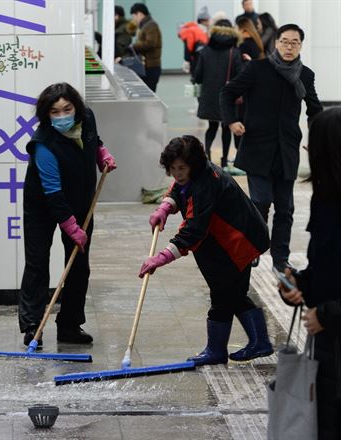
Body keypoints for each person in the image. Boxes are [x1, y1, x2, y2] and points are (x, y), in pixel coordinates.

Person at [141, 135, 272, 366]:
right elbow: (179, 188)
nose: (177, 173)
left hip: (237, 241)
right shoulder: (193, 176)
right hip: (222, 241)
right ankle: (260, 342)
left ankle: (216, 351)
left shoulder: (205, 184)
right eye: (172, 168)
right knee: (235, 294)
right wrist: (166, 206)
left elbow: (193, 229)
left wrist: (161, 258)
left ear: (194, 164)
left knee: (223, 295)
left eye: (182, 168)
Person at [19, 82, 117, 346]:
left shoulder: (87, 117)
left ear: (76, 107)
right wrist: (71, 226)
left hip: (81, 200)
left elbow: (93, 138)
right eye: (55, 112)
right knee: (37, 263)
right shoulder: (43, 144)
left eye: (67, 109)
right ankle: (32, 327)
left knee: (78, 266)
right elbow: (53, 192)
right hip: (43, 205)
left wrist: (101, 154)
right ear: (46, 114)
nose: (62, 116)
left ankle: (70, 326)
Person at [220, 23, 323, 271]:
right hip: (257, 148)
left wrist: (318, 137)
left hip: (287, 150)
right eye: (285, 41)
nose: (289, 47)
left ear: (300, 45)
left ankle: (280, 259)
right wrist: (232, 120)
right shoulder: (256, 69)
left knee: (285, 208)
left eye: (294, 42)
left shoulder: (305, 75)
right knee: (261, 201)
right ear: (276, 43)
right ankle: (253, 248)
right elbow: (227, 93)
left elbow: (314, 109)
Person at [278, 107, 341, 440]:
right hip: (327, 347)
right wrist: (296, 284)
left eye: (311, 144)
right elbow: (325, 267)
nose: (306, 151)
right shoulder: (325, 200)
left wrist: (329, 315)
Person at [193, 19, 242, 168]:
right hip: (227, 96)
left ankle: (207, 156)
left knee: (211, 126)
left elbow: (198, 75)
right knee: (226, 127)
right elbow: (240, 74)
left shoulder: (205, 51)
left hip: (209, 95)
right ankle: (224, 160)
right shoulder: (234, 52)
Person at [129, 3, 162, 92]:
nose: (134, 19)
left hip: (151, 67)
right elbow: (130, 31)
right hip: (146, 66)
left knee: (149, 93)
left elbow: (151, 43)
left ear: (139, 14)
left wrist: (133, 46)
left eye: (134, 16)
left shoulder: (150, 25)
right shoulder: (144, 25)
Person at [178, 6, 209, 74]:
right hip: (197, 59)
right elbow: (188, 46)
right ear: (203, 20)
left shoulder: (201, 30)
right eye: (208, 19)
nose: (209, 22)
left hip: (199, 59)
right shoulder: (196, 30)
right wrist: (187, 60)